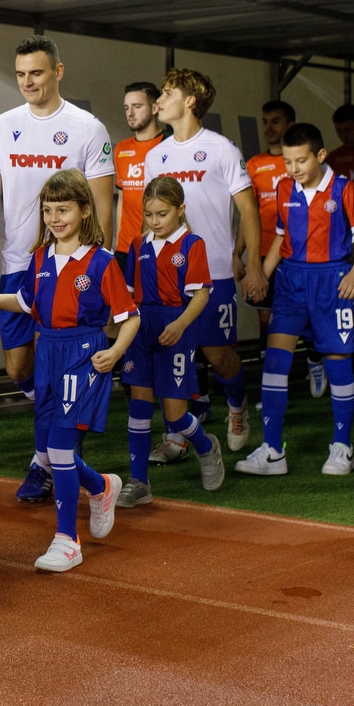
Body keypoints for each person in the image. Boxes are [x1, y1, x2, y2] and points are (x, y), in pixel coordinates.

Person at [0, 169, 137, 572]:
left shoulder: (102, 262)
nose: (55, 218)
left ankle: (67, 540)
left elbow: (130, 316)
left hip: (84, 354)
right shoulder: (39, 258)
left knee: (58, 448)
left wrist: (117, 350)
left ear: (85, 210)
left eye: (64, 209)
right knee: (53, 451)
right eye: (48, 210)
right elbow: (24, 302)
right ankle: (102, 486)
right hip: (47, 354)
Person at [0, 36, 114, 504]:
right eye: (21, 74)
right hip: (20, 265)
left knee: (57, 373)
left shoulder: (87, 128)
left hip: (71, 268)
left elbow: (102, 204)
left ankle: (47, 460)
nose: (27, 83)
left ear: (58, 72)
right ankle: (56, 447)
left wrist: (101, 268)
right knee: (20, 366)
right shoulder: (3, 126)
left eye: (36, 73)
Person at [238, 123, 354, 477]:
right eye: (287, 161)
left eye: (300, 161)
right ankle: (273, 450)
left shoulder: (343, 188)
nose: (293, 168)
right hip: (291, 284)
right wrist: (262, 276)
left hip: (333, 282)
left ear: (320, 156)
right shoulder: (284, 188)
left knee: (338, 361)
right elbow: (281, 240)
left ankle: (342, 447)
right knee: (275, 362)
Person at [143, 68, 266, 462]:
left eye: (167, 93)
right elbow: (152, 215)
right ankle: (177, 435)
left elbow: (249, 209)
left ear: (190, 100)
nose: (158, 101)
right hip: (166, 277)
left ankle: (236, 404)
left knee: (217, 354)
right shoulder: (155, 156)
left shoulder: (221, 149)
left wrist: (254, 264)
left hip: (212, 273)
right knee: (169, 353)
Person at [118, 177, 224, 506]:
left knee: (175, 415)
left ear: (181, 210)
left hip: (176, 327)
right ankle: (139, 482)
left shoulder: (193, 245)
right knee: (138, 406)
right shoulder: (138, 246)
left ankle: (206, 448)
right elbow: (129, 295)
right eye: (149, 214)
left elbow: (202, 294)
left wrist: (179, 324)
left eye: (162, 214)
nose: (155, 221)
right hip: (142, 326)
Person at [112, 81, 167, 266]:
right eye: (126, 107)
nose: (130, 113)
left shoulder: (169, 145)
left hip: (158, 248)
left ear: (154, 108)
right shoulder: (121, 149)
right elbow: (122, 198)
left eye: (137, 106)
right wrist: (119, 244)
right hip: (124, 250)